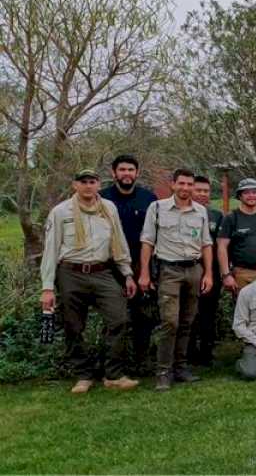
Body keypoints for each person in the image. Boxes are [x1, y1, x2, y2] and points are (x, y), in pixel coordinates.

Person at [40, 169, 140, 394]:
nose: (88, 186)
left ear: (98, 185)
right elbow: (51, 249)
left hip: (102, 271)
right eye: (83, 182)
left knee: (119, 319)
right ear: (75, 185)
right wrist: (47, 288)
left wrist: (127, 274)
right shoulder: (61, 211)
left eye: (92, 182)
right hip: (71, 272)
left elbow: (119, 242)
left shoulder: (109, 208)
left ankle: (113, 374)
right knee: (73, 325)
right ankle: (83, 375)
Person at [139, 169, 214, 391]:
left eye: (189, 184)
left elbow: (206, 243)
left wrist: (208, 272)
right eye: (181, 183)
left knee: (187, 321)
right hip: (169, 270)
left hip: (194, 269)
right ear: (173, 185)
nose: (185, 188)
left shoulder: (200, 211)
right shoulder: (158, 208)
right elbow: (147, 241)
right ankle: (163, 371)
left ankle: (181, 368)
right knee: (169, 321)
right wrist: (144, 273)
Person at [99, 154, 157, 375]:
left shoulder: (148, 199)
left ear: (137, 173)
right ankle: (113, 365)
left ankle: (141, 362)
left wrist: (148, 271)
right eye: (122, 169)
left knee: (143, 317)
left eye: (130, 170)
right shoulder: (102, 198)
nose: (126, 174)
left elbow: (153, 235)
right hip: (109, 267)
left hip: (141, 266)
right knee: (115, 319)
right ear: (114, 173)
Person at [187, 175, 224, 365]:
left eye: (206, 191)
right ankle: (189, 353)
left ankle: (207, 353)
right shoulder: (184, 214)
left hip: (213, 272)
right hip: (189, 269)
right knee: (189, 314)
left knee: (209, 313)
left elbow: (223, 245)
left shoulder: (217, 216)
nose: (202, 194)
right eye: (198, 190)